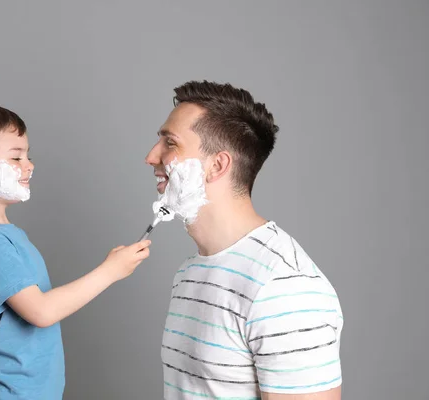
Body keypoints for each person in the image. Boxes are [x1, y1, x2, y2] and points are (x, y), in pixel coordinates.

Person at [0, 102, 151, 399]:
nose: (29, 165)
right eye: (16, 157)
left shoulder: (4, 236)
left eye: (28, 155)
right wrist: (110, 271)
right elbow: (41, 311)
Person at [145, 81, 343, 400]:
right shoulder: (189, 272)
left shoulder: (285, 287)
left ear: (217, 165)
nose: (151, 156)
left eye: (170, 143)